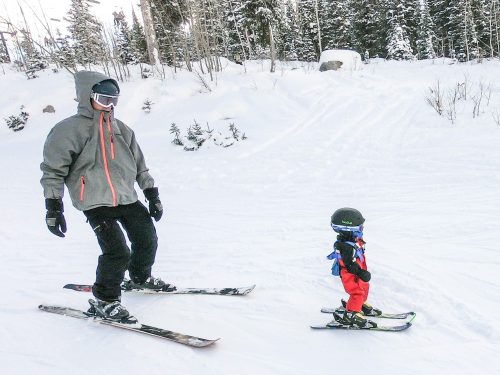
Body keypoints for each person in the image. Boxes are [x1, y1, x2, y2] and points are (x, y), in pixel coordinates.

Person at [40, 71, 167, 321]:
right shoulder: (68, 130)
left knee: (147, 238)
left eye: (114, 100)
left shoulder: (123, 130)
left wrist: (152, 194)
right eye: (102, 98)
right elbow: (53, 171)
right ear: (87, 96)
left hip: (126, 196)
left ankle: (140, 277)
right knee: (117, 251)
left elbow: (140, 166)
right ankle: (105, 300)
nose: (108, 105)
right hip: (95, 201)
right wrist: (54, 207)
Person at [327, 207, 380, 327]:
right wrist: (361, 273)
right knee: (357, 292)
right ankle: (351, 314)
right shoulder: (346, 247)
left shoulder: (353, 240)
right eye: (360, 227)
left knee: (364, 286)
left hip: (358, 270)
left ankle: (359, 304)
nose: (362, 229)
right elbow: (349, 265)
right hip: (350, 274)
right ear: (349, 229)